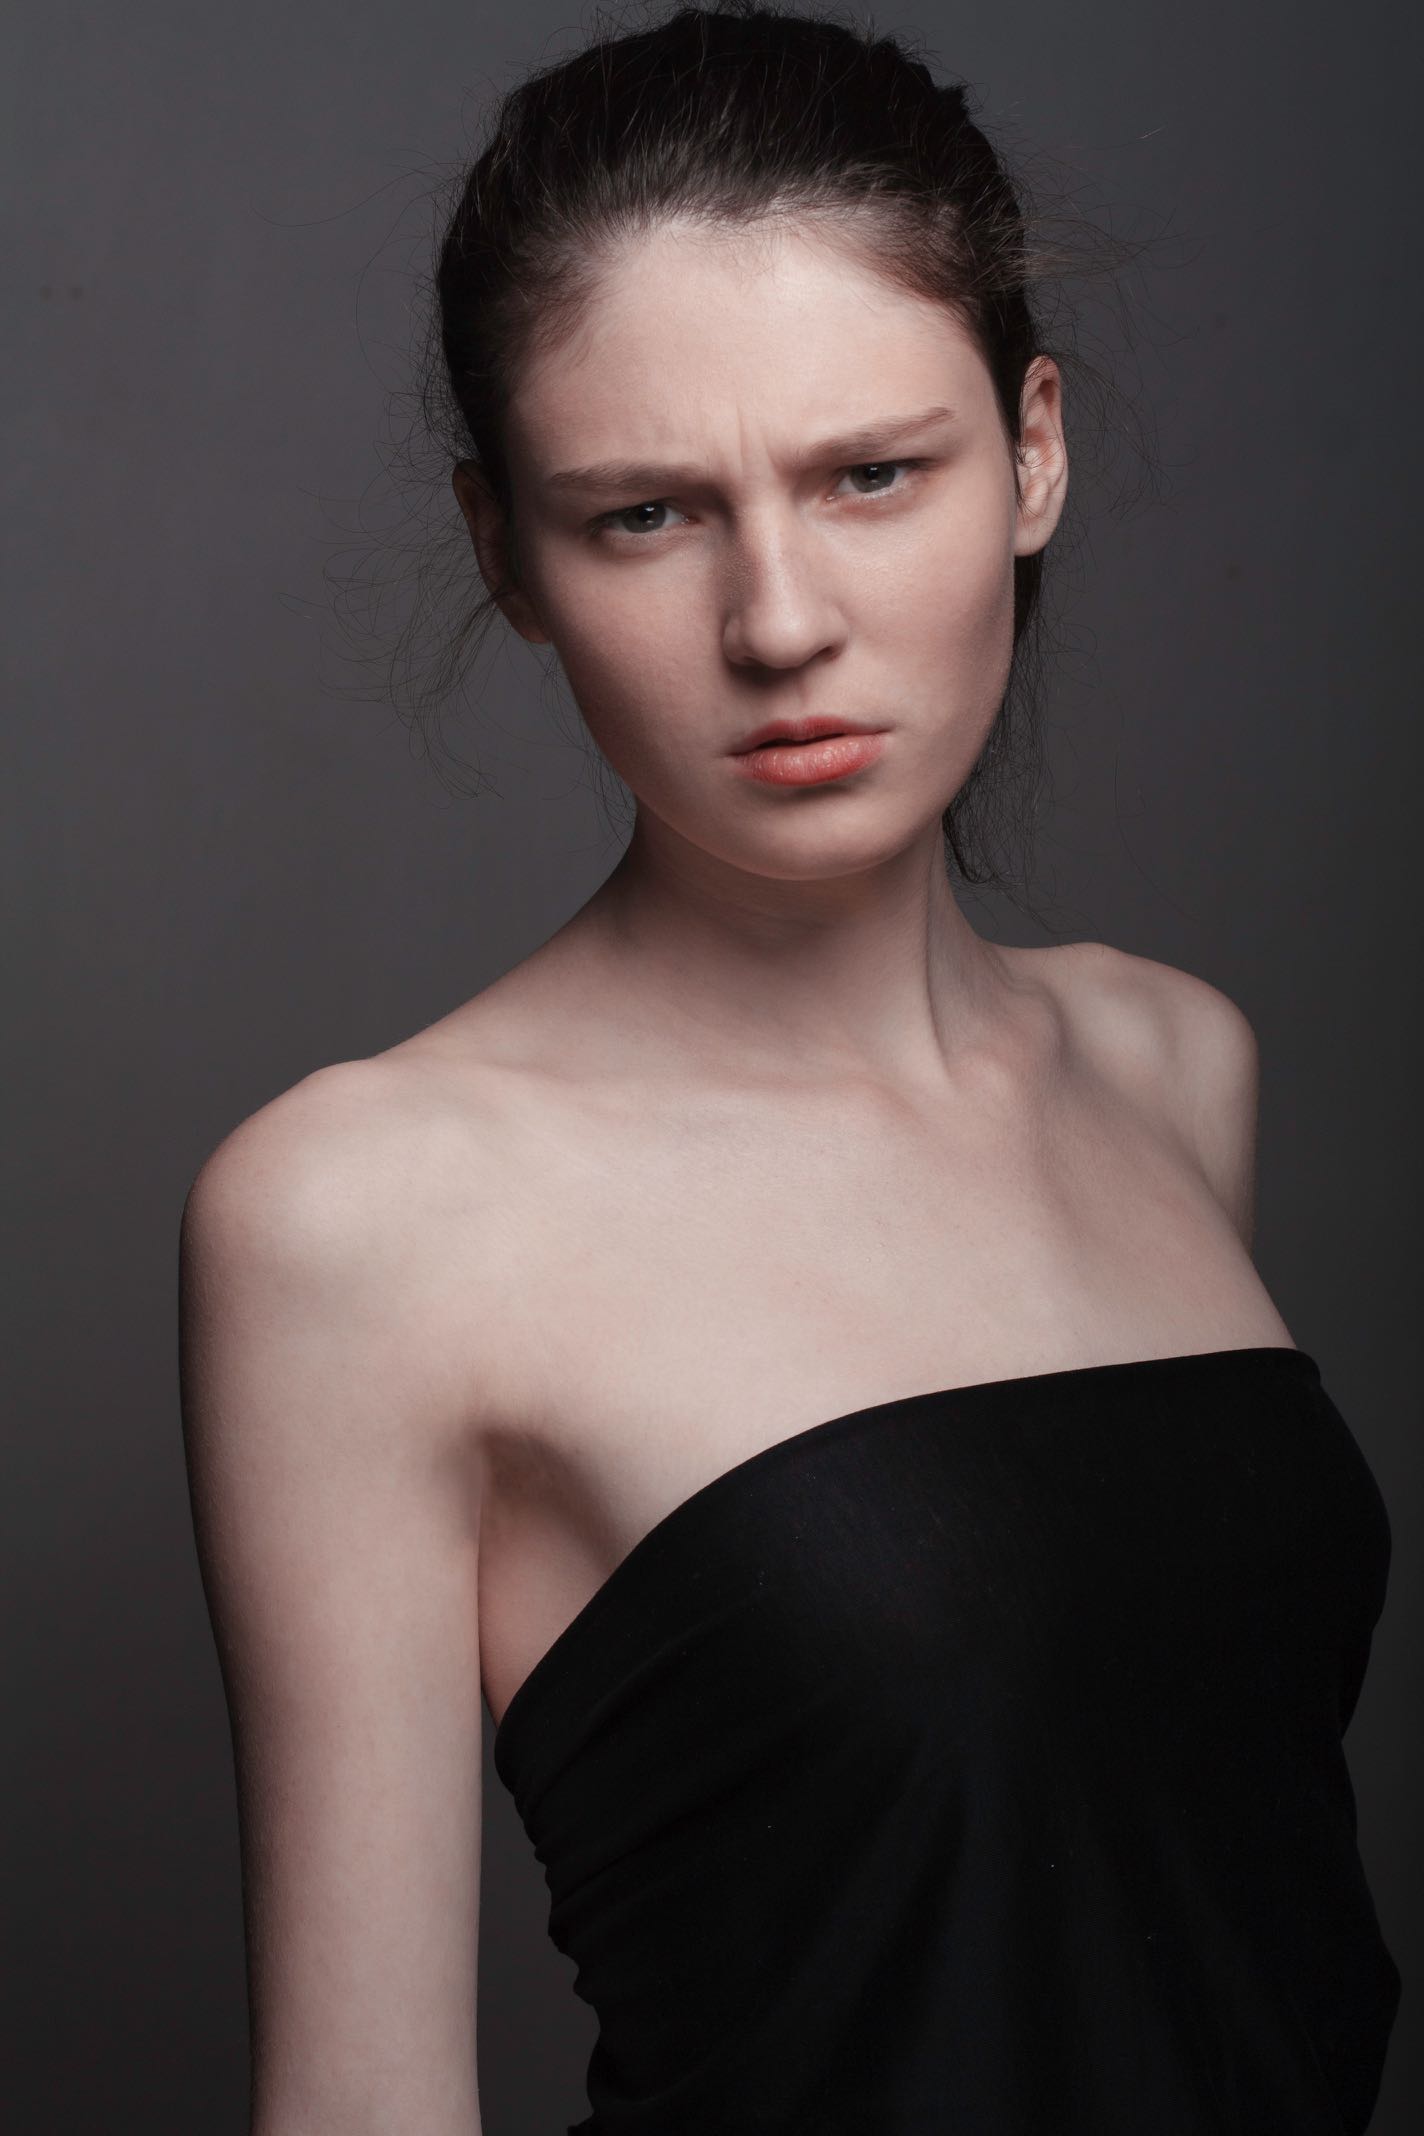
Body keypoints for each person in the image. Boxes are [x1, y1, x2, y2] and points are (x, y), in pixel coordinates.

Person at [177, 6, 1402, 2131]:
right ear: (506, 553)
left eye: (870, 476)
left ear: (1031, 451)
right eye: (646, 515)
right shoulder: (365, 1215)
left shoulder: (1166, 1063)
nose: (777, 622)